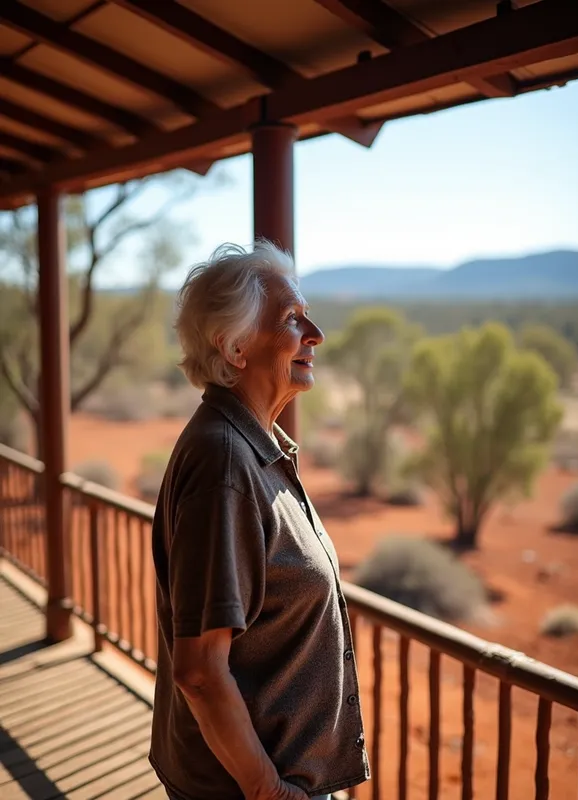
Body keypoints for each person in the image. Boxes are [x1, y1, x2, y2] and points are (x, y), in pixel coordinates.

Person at [149, 241, 370, 800]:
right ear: (236, 347)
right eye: (294, 319)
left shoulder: (251, 448)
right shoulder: (226, 462)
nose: (315, 333)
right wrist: (270, 791)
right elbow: (199, 670)